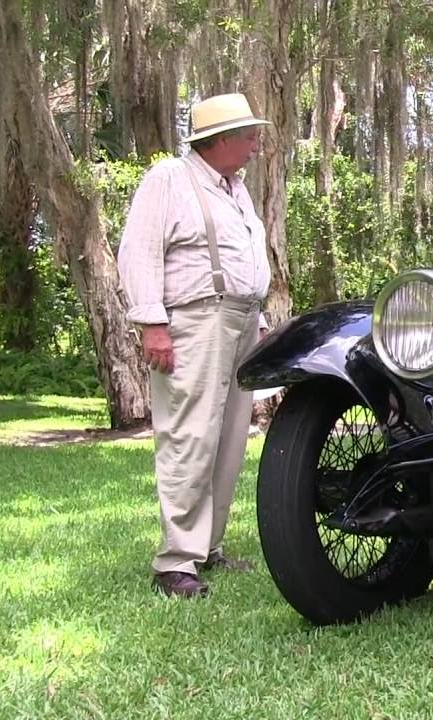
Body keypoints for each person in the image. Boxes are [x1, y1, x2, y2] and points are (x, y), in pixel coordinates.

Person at [117, 93, 273, 598]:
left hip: (242, 319)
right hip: (194, 321)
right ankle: (176, 561)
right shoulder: (168, 179)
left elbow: (242, 257)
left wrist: (261, 317)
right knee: (190, 434)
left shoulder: (236, 189)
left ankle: (208, 547)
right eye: (248, 136)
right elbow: (138, 253)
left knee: (229, 438)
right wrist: (151, 324)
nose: (255, 144)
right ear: (222, 140)